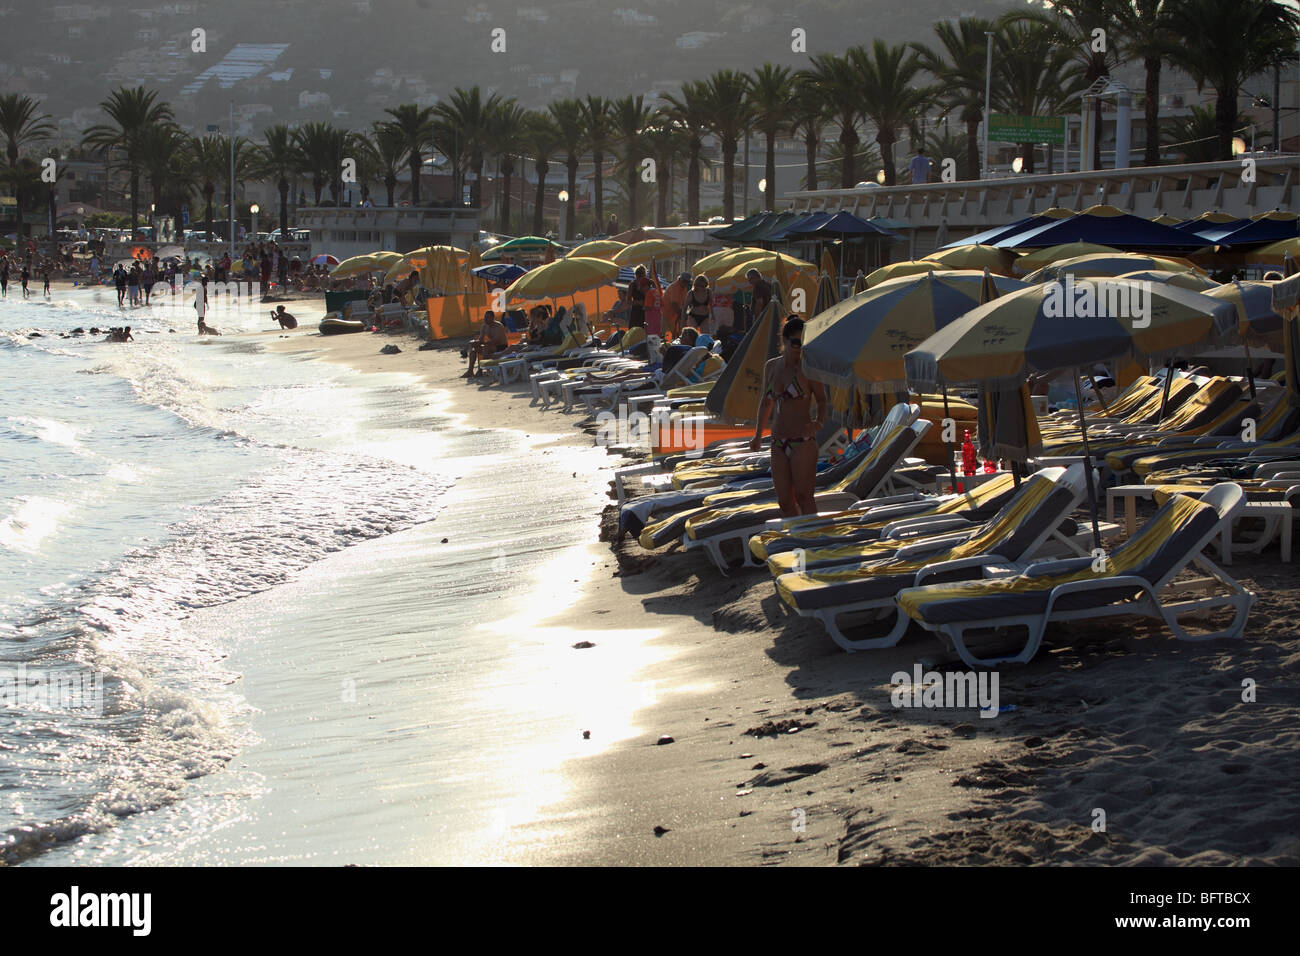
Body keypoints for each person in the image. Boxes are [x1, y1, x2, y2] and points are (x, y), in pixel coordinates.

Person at [750, 317, 827, 517]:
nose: (800, 348)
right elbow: (766, 402)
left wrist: (818, 423)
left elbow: (822, 400)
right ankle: (795, 540)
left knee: (804, 496)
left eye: (804, 343)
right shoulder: (771, 367)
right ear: (784, 341)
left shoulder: (808, 369)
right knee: (784, 501)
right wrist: (758, 436)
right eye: (796, 342)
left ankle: (811, 540)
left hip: (802, 441)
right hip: (777, 441)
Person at [464, 310, 510, 377]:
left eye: (487, 317)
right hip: (491, 346)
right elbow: (481, 339)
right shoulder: (484, 326)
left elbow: (496, 340)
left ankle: (480, 370)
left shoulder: (498, 326)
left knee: (486, 347)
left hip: (501, 347)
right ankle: (470, 371)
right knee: (473, 348)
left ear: (493, 318)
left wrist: (483, 343)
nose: (485, 319)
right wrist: (474, 342)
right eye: (485, 317)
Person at [662, 272, 690, 340]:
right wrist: (682, 315)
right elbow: (674, 304)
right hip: (666, 314)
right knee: (667, 336)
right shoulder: (675, 287)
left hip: (674, 316)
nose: (686, 283)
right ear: (680, 279)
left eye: (687, 282)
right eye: (684, 281)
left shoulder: (684, 288)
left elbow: (683, 303)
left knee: (674, 335)